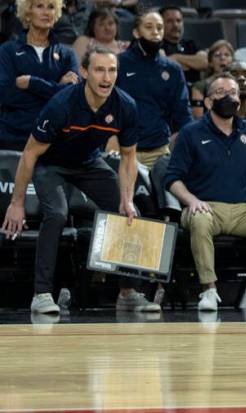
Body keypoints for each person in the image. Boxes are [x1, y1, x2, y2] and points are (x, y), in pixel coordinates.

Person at [1, 47, 160, 315]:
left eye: (112, 70)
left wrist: (127, 199)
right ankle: (41, 295)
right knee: (57, 214)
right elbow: (29, 154)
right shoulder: (61, 105)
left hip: (88, 163)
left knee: (129, 213)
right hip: (50, 164)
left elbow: (129, 157)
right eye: (99, 69)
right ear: (84, 72)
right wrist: (16, 203)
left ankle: (128, 292)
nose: (106, 77)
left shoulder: (125, 106)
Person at [164, 72, 246, 312]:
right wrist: (191, 200)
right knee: (200, 221)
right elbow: (172, 178)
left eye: (233, 93)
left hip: (244, 211)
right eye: (221, 93)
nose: (229, 97)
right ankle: (209, 290)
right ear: (208, 101)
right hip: (206, 208)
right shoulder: (191, 133)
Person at [0, 0, 78, 151]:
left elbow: (73, 98)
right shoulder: (7, 51)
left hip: (54, 139)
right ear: (27, 13)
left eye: (51, 7)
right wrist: (57, 88)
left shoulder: (67, 54)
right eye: (39, 6)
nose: (46, 12)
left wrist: (32, 83)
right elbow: (6, 95)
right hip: (14, 137)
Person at [116, 11, 191, 168]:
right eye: (149, 27)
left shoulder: (173, 69)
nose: (155, 32)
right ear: (136, 32)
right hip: (122, 149)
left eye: (159, 27)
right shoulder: (118, 64)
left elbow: (183, 113)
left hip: (159, 150)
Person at [160, 6, 208, 83]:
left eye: (178, 21)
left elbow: (204, 62)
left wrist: (176, 57)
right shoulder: (157, 45)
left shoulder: (190, 44)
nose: (175, 25)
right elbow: (163, 65)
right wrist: (192, 63)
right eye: (169, 21)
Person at [189, 39, 234, 119]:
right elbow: (198, 118)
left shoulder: (241, 84)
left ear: (232, 61)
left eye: (227, 55)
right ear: (210, 62)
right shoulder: (199, 86)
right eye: (217, 55)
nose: (222, 58)